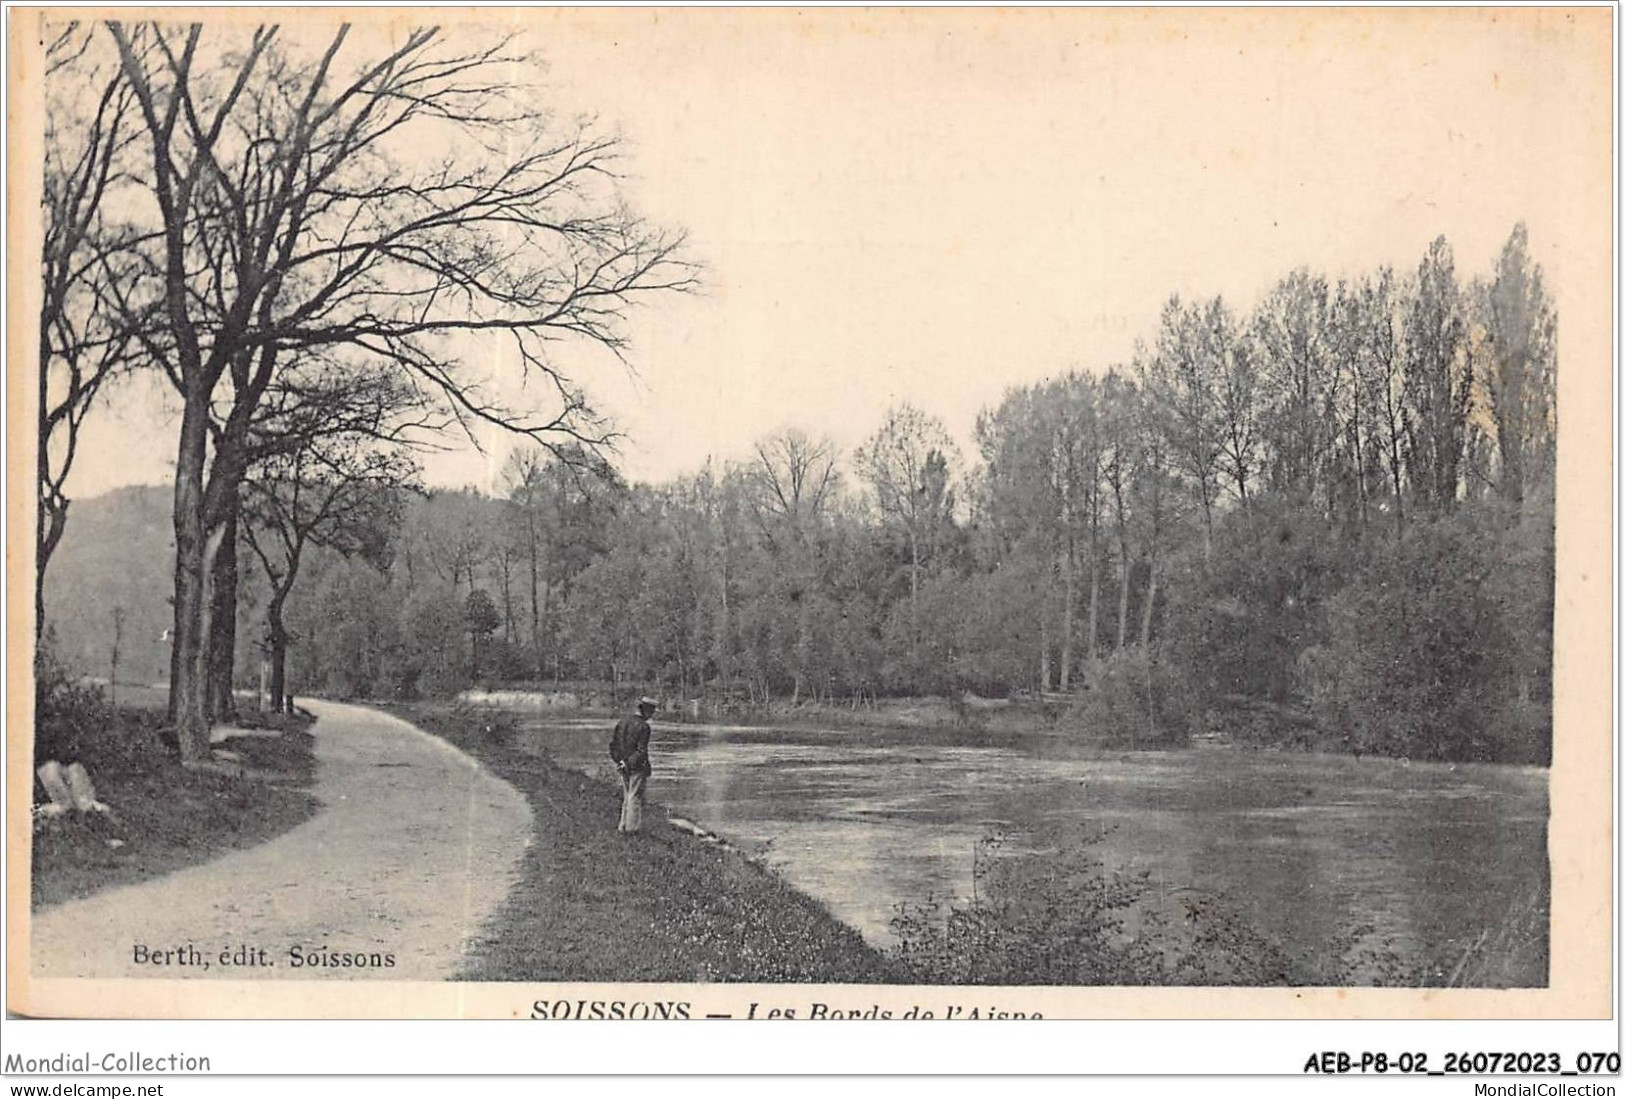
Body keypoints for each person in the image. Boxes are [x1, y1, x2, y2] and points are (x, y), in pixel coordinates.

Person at [609, 696, 658, 834]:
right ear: (646, 711)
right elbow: (641, 751)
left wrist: (620, 761)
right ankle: (632, 829)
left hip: (622, 765)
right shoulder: (644, 727)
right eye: (652, 712)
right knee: (635, 797)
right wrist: (628, 763)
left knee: (627, 796)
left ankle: (623, 826)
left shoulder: (622, 722)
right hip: (637, 766)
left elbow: (613, 745)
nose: (652, 715)